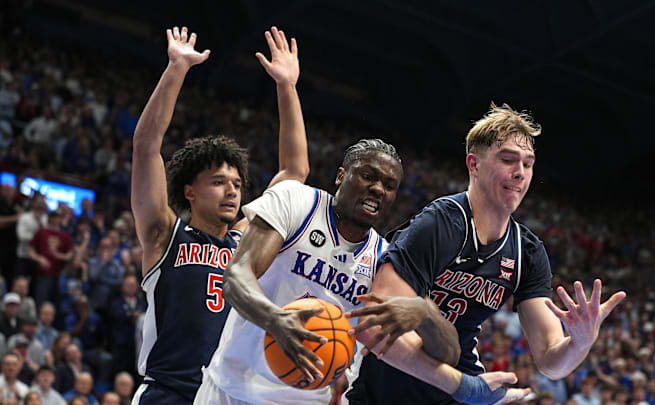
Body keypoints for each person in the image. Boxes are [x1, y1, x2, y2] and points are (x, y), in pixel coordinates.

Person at [194, 139, 526, 405]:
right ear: (342, 175)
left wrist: (426, 313)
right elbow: (237, 275)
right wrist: (274, 319)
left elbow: (446, 354)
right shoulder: (297, 202)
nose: (378, 188)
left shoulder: (386, 260)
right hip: (226, 390)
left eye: (389, 184)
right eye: (368, 176)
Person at [344, 103, 626, 404]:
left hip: (455, 389)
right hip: (382, 393)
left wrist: (580, 344)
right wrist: (459, 384)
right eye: (508, 160)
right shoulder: (440, 224)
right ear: (474, 165)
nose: (520, 173)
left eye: (528, 164)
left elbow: (550, 361)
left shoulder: (527, 252)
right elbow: (372, 324)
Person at [130, 25, 309, 405]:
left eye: (236, 182)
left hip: (229, 396)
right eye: (217, 182)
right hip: (169, 393)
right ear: (189, 192)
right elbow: (146, 147)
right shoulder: (165, 234)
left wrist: (287, 87)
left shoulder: (249, 238)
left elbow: (295, 174)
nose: (232, 189)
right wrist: (177, 67)